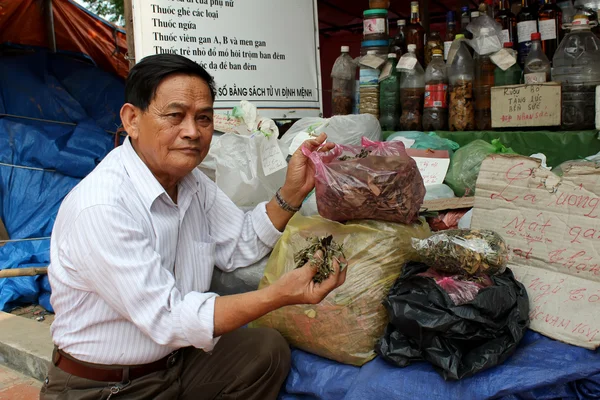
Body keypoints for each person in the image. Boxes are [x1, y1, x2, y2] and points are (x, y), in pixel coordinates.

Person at [40, 54, 346, 400]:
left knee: (264, 351)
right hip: (105, 387)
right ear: (132, 120)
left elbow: (241, 242)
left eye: (203, 119)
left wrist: (292, 192)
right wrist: (278, 296)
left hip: (175, 362)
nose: (192, 132)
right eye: (175, 116)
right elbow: (168, 319)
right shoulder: (102, 205)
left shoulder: (193, 183)